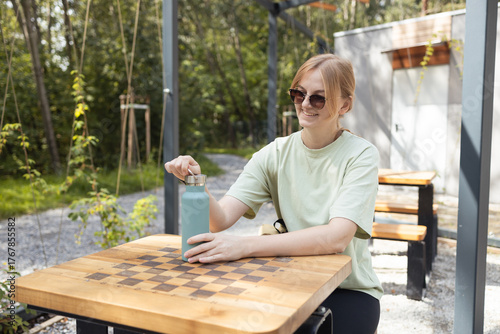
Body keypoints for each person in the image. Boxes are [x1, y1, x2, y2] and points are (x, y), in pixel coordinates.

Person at [165, 54, 382, 333]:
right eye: (298, 93)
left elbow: (336, 238)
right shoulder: (274, 153)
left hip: (348, 291)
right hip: (291, 281)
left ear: (345, 104)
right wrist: (196, 182)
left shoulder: (361, 155)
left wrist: (244, 246)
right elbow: (219, 221)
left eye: (318, 98)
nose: (305, 104)